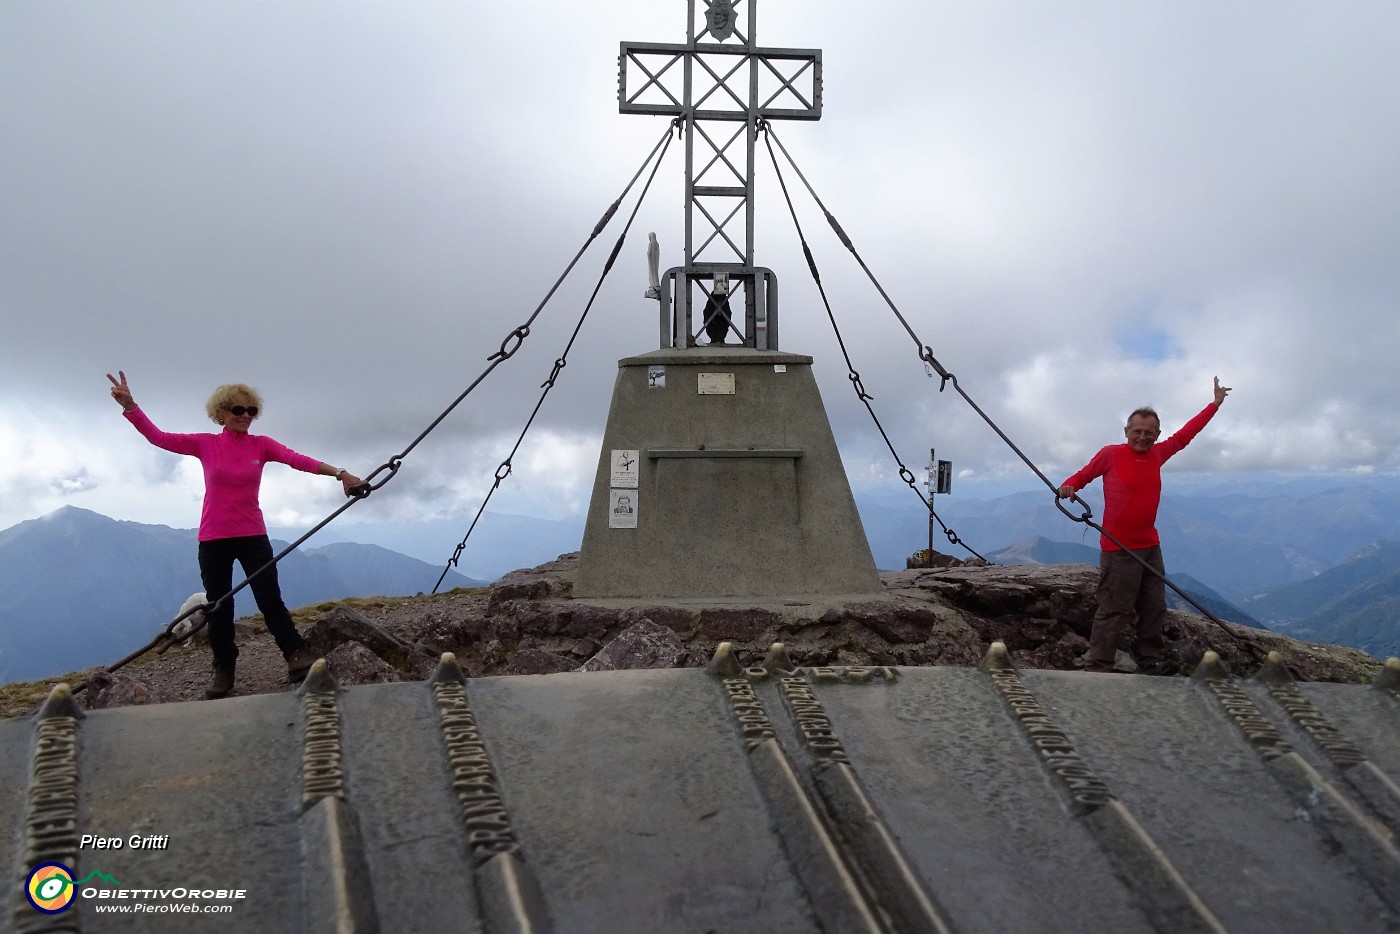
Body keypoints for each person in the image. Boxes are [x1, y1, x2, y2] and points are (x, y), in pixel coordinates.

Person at [107, 371, 363, 699]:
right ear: (221, 414)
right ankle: (224, 667)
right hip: (213, 539)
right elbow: (159, 438)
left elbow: (299, 460)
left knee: (270, 599)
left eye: (251, 411)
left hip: (252, 535)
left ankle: (295, 655)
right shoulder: (205, 443)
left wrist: (341, 474)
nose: (245, 416)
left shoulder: (263, 445)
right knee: (219, 608)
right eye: (237, 410)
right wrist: (131, 407)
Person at [1057, 376, 1232, 675]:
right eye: (1137, 431)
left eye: (1149, 432)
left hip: (1150, 545)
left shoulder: (1158, 454)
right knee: (1114, 609)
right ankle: (1099, 667)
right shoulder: (1111, 454)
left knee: (1154, 607)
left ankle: (1149, 661)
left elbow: (1186, 435)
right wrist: (1069, 486)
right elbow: (1082, 476)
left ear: (1157, 434)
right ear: (1126, 431)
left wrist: (1214, 404)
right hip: (1118, 548)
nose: (1142, 437)